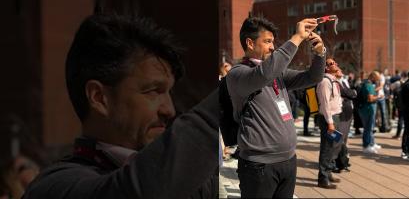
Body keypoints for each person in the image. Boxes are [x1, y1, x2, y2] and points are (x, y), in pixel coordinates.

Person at [22, 13, 218, 198]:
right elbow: (134, 191)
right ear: (99, 98)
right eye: (153, 91)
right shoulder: (53, 187)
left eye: (169, 92)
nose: (169, 110)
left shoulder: (189, 182)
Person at [226, 16, 326, 198]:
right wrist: (297, 37)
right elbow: (264, 74)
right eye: (267, 41)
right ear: (250, 43)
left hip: (288, 161)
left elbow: (313, 77)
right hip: (259, 166)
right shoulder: (238, 74)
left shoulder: (277, 73)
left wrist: (319, 53)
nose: (273, 47)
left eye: (273, 42)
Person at [316, 58, 343, 189]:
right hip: (328, 119)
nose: (336, 64)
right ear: (326, 68)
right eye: (332, 63)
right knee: (326, 148)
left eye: (335, 62)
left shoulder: (333, 80)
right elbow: (325, 104)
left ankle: (328, 172)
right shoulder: (324, 82)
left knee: (333, 146)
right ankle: (323, 178)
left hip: (334, 117)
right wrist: (330, 123)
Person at [333, 60, 357, 173]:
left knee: (344, 139)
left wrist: (351, 93)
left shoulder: (344, 81)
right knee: (338, 139)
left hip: (348, 114)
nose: (341, 71)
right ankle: (338, 162)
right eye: (339, 70)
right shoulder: (335, 82)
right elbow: (349, 93)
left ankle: (343, 160)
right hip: (340, 115)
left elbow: (351, 92)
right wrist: (351, 93)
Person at [358, 71, 381, 154]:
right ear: (373, 77)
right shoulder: (368, 85)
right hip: (367, 109)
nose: (378, 80)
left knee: (369, 128)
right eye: (378, 78)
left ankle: (371, 143)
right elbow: (370, 99)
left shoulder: (366, 84)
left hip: (365, 109)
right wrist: (378, 97)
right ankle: (366, 146)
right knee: (368, 128)